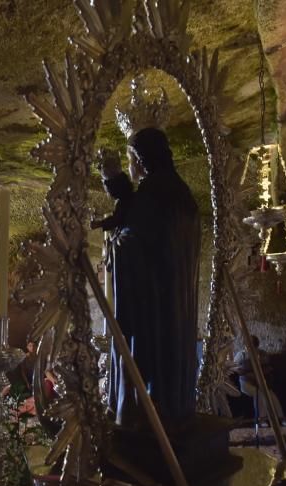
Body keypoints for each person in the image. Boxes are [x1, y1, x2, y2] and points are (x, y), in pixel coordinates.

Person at [97, 127, 200, 430]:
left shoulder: (154, 196)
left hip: (151, 313)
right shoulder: (182, 196)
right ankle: (171, 409)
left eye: (130, 159)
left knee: (147, 369)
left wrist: (114, 246)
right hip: (176, 309)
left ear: (140, 161)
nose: (130, 166)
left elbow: (133, 239)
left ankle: (141, 417)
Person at [234, 335, 286, 427]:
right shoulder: (241, 355)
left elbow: (269, 368)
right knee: (259, 394)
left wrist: (261, 373)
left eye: (254, 345)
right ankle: (261, 419)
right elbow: (235, 369)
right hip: (246, 384)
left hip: (261, 381)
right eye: (249, 345)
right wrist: (247, 374)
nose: (252, 347)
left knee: (270, 394)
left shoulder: (262, 354)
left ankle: (281, 418)